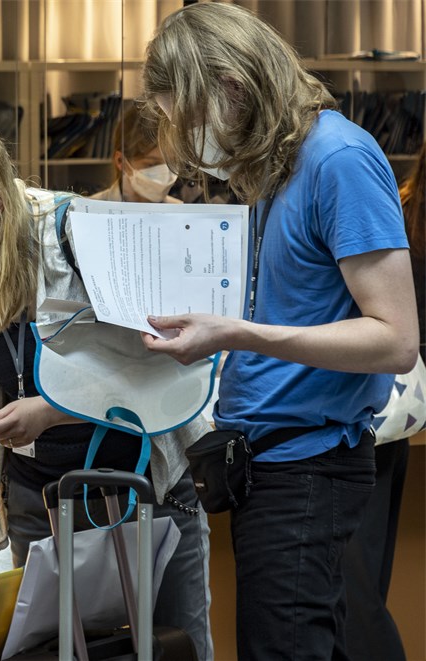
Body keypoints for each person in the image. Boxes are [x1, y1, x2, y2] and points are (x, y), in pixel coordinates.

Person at [139, 4, 419, 659]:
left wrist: (238, 332)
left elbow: (396, 337)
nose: (190, 138)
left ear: (233, 86)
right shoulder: (276, 168)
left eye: (190, 115)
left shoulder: (339, 158)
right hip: (265, 465)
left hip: (308, 468)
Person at [0, 116, 214, 660]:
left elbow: (161, 369)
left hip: (143, 489)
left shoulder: (78, 232)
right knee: (45, 653)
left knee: (170, 646)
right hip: (37, 498)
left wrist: (49, 411)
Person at [340, 140, 425, 661]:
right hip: (394, 410)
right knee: (361, 588)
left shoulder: (400, 205)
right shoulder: (398, 212)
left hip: (378, 404)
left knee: (359, 588)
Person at [90, 103, 180, 204]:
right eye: (152, 164)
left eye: (172, 163)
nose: (165, 173)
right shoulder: (87, 211)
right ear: (121, 161)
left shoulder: (181, 212)